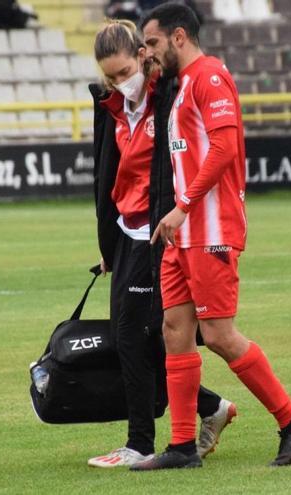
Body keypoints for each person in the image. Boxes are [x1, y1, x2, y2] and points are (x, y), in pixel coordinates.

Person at [130, 3, 291, 471]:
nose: (148, 53)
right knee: (175, 330)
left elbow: (225, 146)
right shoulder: (181, 85)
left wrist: (182, 207)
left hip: (209, 229)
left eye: (153, 43)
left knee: (216, 334)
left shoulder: (210, 76)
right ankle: (179, 448)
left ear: (178, 37)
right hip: (183, 233)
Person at [87, 19, 236, 468]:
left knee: (138, 337)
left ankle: (141, 443)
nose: (118, 81)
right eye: (110, 76)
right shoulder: (110, 106)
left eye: (124, 70)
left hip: (160, 233)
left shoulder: (167, 98)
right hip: (127, 235)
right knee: (139, 337)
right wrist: (108, 241)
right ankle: (210, 408)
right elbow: (108, 177)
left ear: (142, 56)